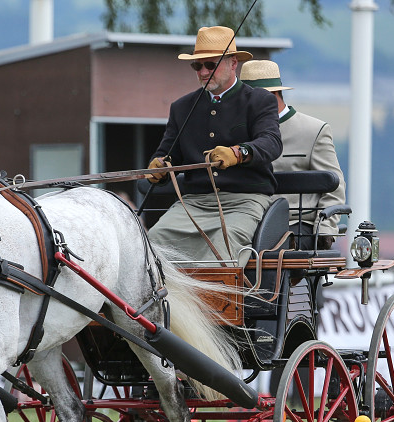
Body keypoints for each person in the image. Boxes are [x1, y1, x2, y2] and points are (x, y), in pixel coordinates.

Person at [145, 26, 282, 266]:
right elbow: (168, 154)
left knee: (222, 247)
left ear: (233, 63)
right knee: (152, 244)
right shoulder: (182, 107)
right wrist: (159, 168)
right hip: (194, 202)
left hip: (245, 201)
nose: (203, 71)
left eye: (210, 65)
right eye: (197, 66)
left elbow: (271, 142)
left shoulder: (260, 100)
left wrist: (238, 153)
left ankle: (215, 303)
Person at [240, 59, 346, 250]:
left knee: (269, 252)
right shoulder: (237, 133)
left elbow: (335, 188)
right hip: (245, 224)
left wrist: (324, 230)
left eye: (248, 99)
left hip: (296, 227)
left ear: (271, 96)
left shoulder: (313, 131)